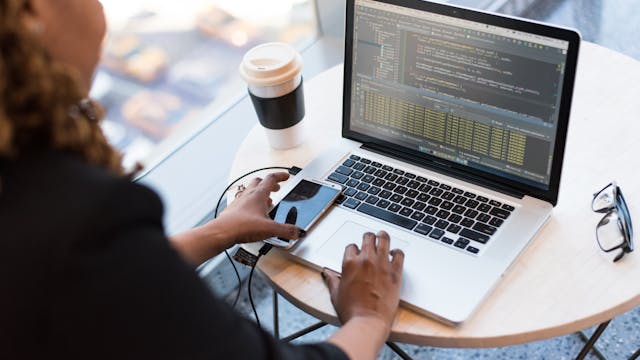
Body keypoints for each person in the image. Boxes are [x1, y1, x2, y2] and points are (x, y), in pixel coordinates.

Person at [0, 1, 405, 359]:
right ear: (30, 15)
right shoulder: (83, 216)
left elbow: (95, 283)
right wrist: (368, 317)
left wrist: (219, 231)